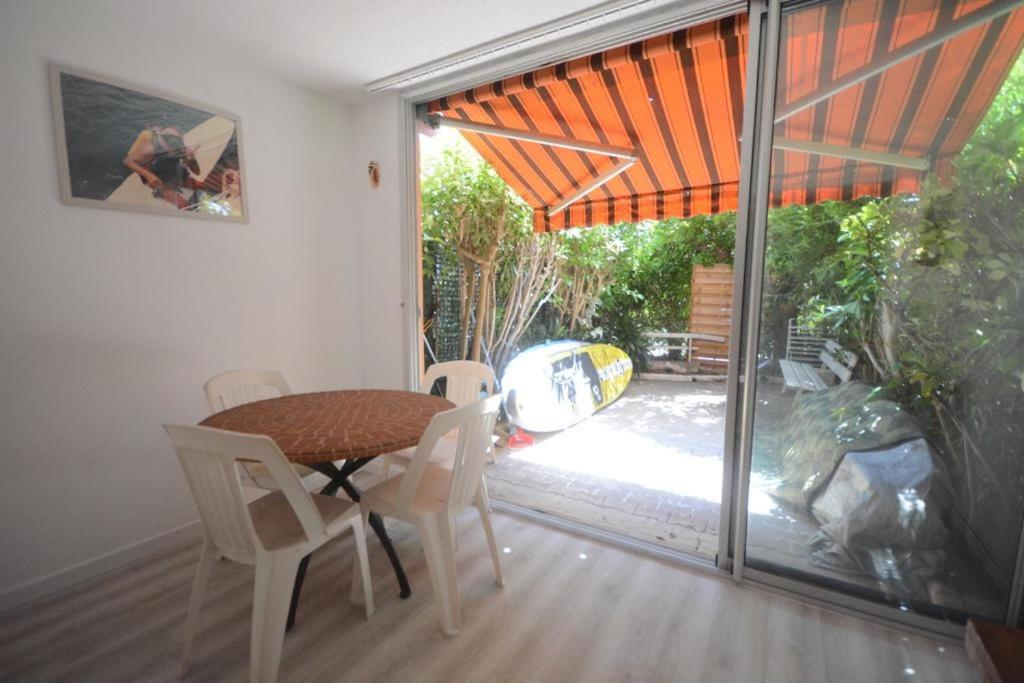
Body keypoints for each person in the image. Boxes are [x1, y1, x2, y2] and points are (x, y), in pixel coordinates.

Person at [122, 126, 200, 208]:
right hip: (156, 175)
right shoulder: (150, 148)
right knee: (183, 204)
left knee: (202, 187)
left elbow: (196, 172)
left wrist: (192, 157)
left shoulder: (180, 148)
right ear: (162, 140)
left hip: (172, 172)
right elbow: (127, 161)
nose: (173, 149)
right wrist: (148, 175)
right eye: (170, 144)